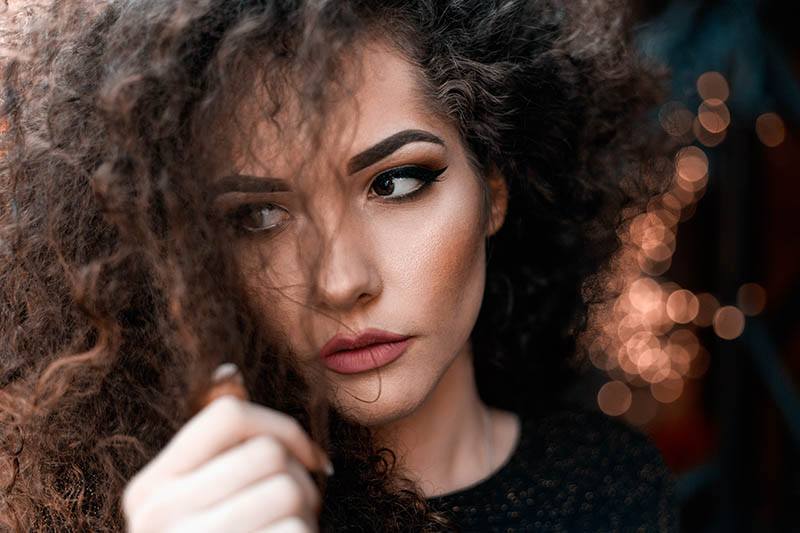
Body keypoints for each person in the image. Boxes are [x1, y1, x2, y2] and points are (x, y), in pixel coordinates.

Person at [0, 0, 679, 531]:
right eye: (259, 217)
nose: (340, 281)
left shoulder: (613, 483)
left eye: (395, 182)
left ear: (494, 189)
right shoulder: (174, 512)